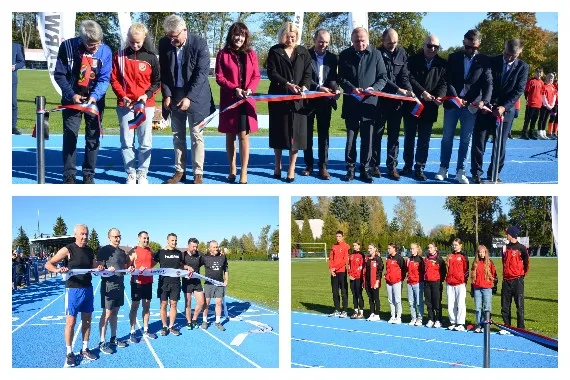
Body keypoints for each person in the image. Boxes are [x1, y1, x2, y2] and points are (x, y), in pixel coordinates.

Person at [54, 20, 112, 184]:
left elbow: (104, 78)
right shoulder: (67, 47)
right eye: (90, 44)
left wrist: (94, 97)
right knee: (70, 136)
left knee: (93, 138)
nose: (95, 47)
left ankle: (88, 176)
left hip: (95, 101)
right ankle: (69, 176)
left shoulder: (105, 51)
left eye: (98, 43)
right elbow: (59, 75)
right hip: (72, 99)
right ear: (81, 39)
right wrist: (72, 95)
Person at [159, 14, 215, 184]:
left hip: (197, 96)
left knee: (196, 135)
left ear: (185, 30)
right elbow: (165, 72)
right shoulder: (164, 43)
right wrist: (167, 94)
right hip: (174, 94)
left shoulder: (199, 43)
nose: (171, 41)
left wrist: (189, 97)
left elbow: (201, 74)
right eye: (169, 36)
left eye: (174, 37)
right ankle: (179, 170)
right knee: (177, 135)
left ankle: (198, 173)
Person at [435, 29, 490, 184]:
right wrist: (456, 97)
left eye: (474, 48)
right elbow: (448, 79)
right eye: (467, 47)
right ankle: (443, 168)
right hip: (453, 104)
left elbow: (488, 83)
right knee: (447, 138)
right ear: (463, 43)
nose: (470, 51)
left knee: (466, 140)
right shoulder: (453, 57)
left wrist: (484, 101)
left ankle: (461, 171)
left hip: (471, 106)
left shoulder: (484, 60)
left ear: (479, 44)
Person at [44, 224, 104, 367]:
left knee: (87, 321)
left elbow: (95, 267)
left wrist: (99, 267)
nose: (84, 237)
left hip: (88, 289)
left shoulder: (89, 251)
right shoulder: (68, 249)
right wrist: (58, 270)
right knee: (71, 322)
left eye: (86, 234)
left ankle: (84, 349)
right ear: (75, 234)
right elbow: (48, 264)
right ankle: (69, 352)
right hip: (73, 290)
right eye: (82, 234)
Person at [470, 39, 529, 183]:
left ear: (519, 53)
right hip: (486, 108)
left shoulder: (523, 67)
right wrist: (486, 104)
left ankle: (494, 173)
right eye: (507, 53)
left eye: (512, 56)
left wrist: (503, 107)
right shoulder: (492, 60)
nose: (508, 58)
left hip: (505, 111)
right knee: (479, 142)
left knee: (500, 144)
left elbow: (518, 90)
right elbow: (485, 82)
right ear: (504, 48)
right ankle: (476, 172)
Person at [110, 23, 160, 185]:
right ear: (128, 39)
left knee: (145, 141)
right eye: (132, 42)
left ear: (144, 39)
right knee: (127, 141)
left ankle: (142, 173)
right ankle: (130, 173)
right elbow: (114, 79)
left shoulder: (152, 57)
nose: (135, 45)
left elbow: (157, 82)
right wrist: (122, 95)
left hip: (146, 105)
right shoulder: (119, 56)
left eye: (138, 42)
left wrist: (147, 95)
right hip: (126, 105)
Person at [338, 27, 388, 183]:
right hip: (352, 102)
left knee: (368, 138)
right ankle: (350, 168)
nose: (360, 43)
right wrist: (351, 88)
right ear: (352, 40)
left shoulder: (376, 54)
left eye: (363, 40)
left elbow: (383, 77)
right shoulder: (345, 55)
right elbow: (340, 78)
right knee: (351, 138)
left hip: (369, 104)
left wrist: (374, 88)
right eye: (357, 40)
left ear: (368, 39)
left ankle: (365, 169)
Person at [215, 22, 261, 184]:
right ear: (231, 35)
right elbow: (219, 77)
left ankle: (244, 171)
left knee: (243, 135)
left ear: (246, 36)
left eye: (242, 35)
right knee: (230, 135)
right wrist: (234, 88)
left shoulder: (251, 54)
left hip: (246, 100)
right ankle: (232, 167)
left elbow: (256, 76)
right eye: (236, 34)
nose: (239, 38)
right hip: (230, 99)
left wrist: (249, 89)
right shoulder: (223, 54)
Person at [267, 21, 312, 183]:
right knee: (279, 133)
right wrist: (287, 84)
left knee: (297, 136)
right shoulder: (275, 51)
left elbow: (308, 73)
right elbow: (272, 73)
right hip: (279, 98)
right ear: (282, 36)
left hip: (298, 101)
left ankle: (291, 168)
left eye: (293, 37)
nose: (291, 39)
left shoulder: (303, 52)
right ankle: (277, 165)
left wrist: (304, 87)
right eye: (288, 36)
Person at [401, 35, 447, 181]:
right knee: (409, 138)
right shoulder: (412, 60)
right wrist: (422, 92)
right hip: (412, 105)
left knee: (424, 140)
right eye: (429, 46)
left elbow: (444, 83)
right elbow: (409, 78)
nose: (432, 49)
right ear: (424, 45)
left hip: (430, 108)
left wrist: (439, 96)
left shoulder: (442, 64)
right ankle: (407, 165)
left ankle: (420, 167)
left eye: (435, 47)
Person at [372, 28, 413, 181]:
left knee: (394, 137)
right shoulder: (376, 53)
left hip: (397, 103)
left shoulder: (402, 53)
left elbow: (404, 75)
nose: (392, 45)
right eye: (389, 43)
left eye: (395, 42)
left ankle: (392, 167)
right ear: (383, 41)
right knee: (377, 135)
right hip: (380, 102)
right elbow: (381, 77)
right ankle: (374, 165)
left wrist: (408, 90)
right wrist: (398, 89)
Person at [301, 28, 339, 180]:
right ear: (314, 40)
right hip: (309, 100)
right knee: (307, 134)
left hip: (325, 102)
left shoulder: (333, 58)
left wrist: (336, 90)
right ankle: (308, 165)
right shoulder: (305, 55)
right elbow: (303, 78)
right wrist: (318, 87)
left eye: (326, 42)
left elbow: (334, 78)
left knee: (324, 135)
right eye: (321, 41)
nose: (323, 45)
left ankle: (323, 166)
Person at [97, 228, 131, 354]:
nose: (118, 238)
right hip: (108, 286)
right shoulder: (104, 250)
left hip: (120, 285)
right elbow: (98, 265)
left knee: (115, 313)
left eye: (119, 236)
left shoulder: (122, 252)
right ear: (109, 237)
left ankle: (113, 338)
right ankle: (101, 341)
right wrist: (103, 268)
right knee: (106, 314)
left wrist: (130, 268)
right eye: (115, 236)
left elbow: (125, 267)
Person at [127, 231, 157, 342]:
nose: (146, 240)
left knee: (147, 307)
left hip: (148, 283)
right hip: (137, 283)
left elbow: (152, 263)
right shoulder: (134, 250)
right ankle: (132, 331)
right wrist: (132, 269)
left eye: (147, 238)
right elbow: (127, 266)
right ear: (139, 238)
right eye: (144, 238)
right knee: (135, 307)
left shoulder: (150, 251)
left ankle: (145, 329)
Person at [500, 225, 530, 333]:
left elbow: (527, 263)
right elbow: (504, 262)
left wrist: (521, 275)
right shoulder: (504, 248)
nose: (506, 235)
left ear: (511, 234)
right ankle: (507, 327)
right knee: (505, 306)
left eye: (507, 233)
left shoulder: (522, 248)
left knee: (519, 306)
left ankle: (520, 329)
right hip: (506, 281)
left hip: (517, 280)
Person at [153, 233, 184, 336]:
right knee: (163, 305)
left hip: (175, 283)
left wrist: (187, 268)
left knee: (174, 304)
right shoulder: (160, 252)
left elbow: (182, 265)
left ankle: (171, 326)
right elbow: (151, 264)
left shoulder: (179, 253)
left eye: (175, 240)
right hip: (163, 283)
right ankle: (164, 326)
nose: (174, 242)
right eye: (172, 240)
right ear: (167, 241)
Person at [201, 240, 229, 331]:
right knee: (206, 303)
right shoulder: (205, 257)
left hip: (219, 284)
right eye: (214, 247)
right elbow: (196, 265)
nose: (216, 249)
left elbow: (226, 269)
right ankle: (205, 321)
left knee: (218, 303)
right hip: (208, 284)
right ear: (210, 248)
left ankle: (218, 322)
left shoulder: (223, 257)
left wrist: (226, 280)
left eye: (217, 247)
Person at [470, 245, 497, 333]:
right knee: (478, 308)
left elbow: (494, 275)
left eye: (483, 252)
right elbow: (472, 277)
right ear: (477, 253)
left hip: (487, 289)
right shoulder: (475, 263)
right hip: (477, 288)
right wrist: (472, 289)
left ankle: (486, 325)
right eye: (480, 252)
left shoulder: (490, 263)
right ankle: (478, 324)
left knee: (487, 307)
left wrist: (494, 286)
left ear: (486, 253)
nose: (481, 254)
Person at [445, 238, 469, 331]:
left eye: (456, 245)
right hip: (450, 283)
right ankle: (453, 322)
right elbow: (447, 268)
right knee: (451, 304)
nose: (454, 246)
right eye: (453, 245)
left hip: (460, 283)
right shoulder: (450, 255)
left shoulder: (463, 256)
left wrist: (463, 280)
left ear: (460, 245)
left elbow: (466, 270)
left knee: (461, 303)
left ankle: (461, 323)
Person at [181, 237, 205, 329]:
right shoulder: (183, 255)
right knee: (188, 303)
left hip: (197, 282)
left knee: (201, 302)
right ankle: (189, 321)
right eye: (193, 246)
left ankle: (194, 319)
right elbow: (178, 265)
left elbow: (208, 259)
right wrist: (186, 266)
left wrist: (219, 254)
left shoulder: (199, 255)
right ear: (188, 246)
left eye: (196, 247)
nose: (195, 248)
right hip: (187, 282)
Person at [424, 242, 446, 328]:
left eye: (431, 247)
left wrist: (439, 280)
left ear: (435, 248)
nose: (430, 249)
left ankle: (438, 320)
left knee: (436, 302)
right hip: (427, 283)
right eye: (428, 248)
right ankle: (431, 319)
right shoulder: (426, 259)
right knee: (428, 302)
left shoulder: (439, 259)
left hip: (436, 283)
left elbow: (443, 271)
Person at [327, 230, 349, 317]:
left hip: (342, 272)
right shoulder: (333, 246)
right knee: (335, 292)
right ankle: (337, 309)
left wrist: (335, 268)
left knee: (343, 292)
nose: (338, 238)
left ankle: (344, 310)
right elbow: (331, 259)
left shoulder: (346, 246)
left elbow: (345, 260)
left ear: (343, 237)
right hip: (334, 273)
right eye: (337, 236)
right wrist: (331, 269)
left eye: (340, 236)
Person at [520, 68, 544, 140]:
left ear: (542, 74)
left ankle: (531, 133)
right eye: (538, 72)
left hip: (538, 104)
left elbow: (541, 93)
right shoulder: (531, 81)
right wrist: (527, 99)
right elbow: (526, 91)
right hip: (531, 103)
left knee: (534, 119)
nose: (539, 74)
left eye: (540, 73)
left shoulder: (542, 82)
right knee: (527, 119)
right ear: (535, 73)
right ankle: (524, 133)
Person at [385, 243, 405, 324]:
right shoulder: (388, 258)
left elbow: (403, 269)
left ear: (394, 249)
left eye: (389, 248)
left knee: (397, 300)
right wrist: (386, 276)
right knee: (390, 300)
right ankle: (392, 316)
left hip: (397, 282)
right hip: (388, 282)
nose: (388, 250)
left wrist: (400, 279)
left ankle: (398, 317)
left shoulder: (399, 258)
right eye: (388, 248)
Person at [406, 243, 425, 326]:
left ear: (417, 249)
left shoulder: (421, 260)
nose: (412, 250)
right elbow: (406, 270)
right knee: (411, 302)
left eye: (413, 248)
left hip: (418, 283)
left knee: (419, 302)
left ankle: (420, 318)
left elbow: (424, 272)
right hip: (409, 283)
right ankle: (413, 318)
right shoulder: (408, 259)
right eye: (411, 249)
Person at [363, 244, 383, 321]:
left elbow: (380, 271)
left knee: (376, 298)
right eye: (368, 248)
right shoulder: (367, 258)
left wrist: (377, 281)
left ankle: (377, 314)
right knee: (370, 298)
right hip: (367, 281)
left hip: (374, 281)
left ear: (375, 249)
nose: (369, 249)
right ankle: (372, 313)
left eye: (371, 248)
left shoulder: (378, 259)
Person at [348, 241, 365, 319]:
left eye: (355, 245)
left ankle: (361, 312)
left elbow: (361, 267)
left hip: (358, 278)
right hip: (352, 278)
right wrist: (350, 275)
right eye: (353, 245)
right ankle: (355, 311)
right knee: (354, 295)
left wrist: (354, 275)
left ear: (359, 246)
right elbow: (349, 266)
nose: (354, 247)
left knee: (359, 294)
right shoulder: (351, 255)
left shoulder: (361, 255)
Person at [537, 73, 557, 140]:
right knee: (541, 119)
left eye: (552, 78)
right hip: (544, 106)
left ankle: (543, 132)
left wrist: (552, 105)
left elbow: (554, 96)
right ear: (547, 78)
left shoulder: (552, 86)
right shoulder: (544, 86)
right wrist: (547, 105)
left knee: (545, 119)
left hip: (550, 106)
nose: (551, 79)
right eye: (550, 78)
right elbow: (543, 96)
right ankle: (539, 133)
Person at [12, 41, 25, 135]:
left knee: (13, 104)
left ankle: (12, 126)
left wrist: (14, 66)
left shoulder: (16, 46)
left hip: (11, 80)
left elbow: (22, 62)